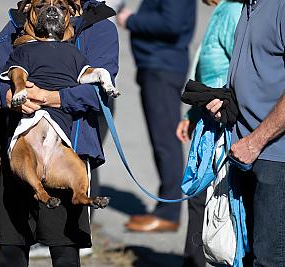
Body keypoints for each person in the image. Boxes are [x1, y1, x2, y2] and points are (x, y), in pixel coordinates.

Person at [0, 0, 118, 266]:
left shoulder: (99, 28)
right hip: (20, 141)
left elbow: (98, 93)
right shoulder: (15, 26)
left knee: (64, 249)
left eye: (60, 4)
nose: (51, 8)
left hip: (67, 144)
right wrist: (11, 95)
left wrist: (46, 97)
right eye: (43, 4)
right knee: (12, 247)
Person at [205, 0, 285, 265]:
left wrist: (257, 140)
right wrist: (227, 105)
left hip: (275, 158)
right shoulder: (248, 6)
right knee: (244, 254)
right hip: (244, 150)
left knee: (270, 258)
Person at [117, 0, 196, 232]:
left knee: (166, 142)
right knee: (161, 140)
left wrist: (131, 20)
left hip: (163, 66)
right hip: (157, 65)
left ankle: (168, 213)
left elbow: (171, 24)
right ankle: (165, 208)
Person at [175, 1, 242, 266]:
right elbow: (203, 64)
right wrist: (191, 114)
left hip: (224, 123)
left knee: (211, 200)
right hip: (207, 119)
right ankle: (193, 260)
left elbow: (241, 70)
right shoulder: (223, 9)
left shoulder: (232, 12)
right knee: (197, 197)